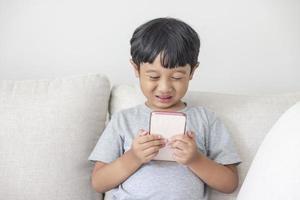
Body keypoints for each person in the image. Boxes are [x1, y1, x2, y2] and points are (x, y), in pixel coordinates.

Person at [88, 17, 241, 200]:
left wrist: (195, 159)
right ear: (136, 69)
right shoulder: (123, 120)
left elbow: (229, 183)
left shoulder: (206, 119)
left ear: (192, 72)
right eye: (153, 76)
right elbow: (99, 182)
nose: (164, 87)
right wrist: (134, 157)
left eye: (176, 77)